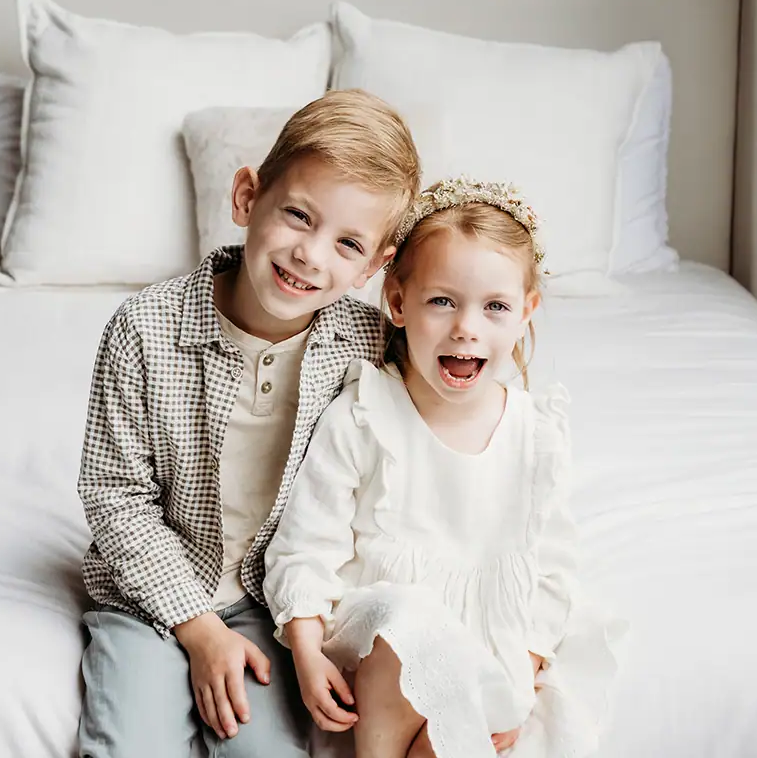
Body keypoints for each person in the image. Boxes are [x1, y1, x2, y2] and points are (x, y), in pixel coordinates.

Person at [74, 89, 422, 758]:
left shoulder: (369, 346)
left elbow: (443, 416)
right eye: (298, 215)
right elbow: (116, 499)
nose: (311, 255)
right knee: (129, 746)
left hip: (274, 604)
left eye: (348, 242)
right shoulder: (144, 331)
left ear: (374, 268)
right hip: (148, 596)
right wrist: (198, 630)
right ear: (245, 197)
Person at [263, 177, 623, 758]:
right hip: (381, 650)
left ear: (526, 312)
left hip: (491, 652)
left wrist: (524, 669)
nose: (466, 327)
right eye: (442, 301)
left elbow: (553, 567)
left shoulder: (536, 435)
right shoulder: (366, 414)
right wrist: (304, 646)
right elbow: (306, 543)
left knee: (452, 739)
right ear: (399, 302)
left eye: (495, 307)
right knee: (407, 625)